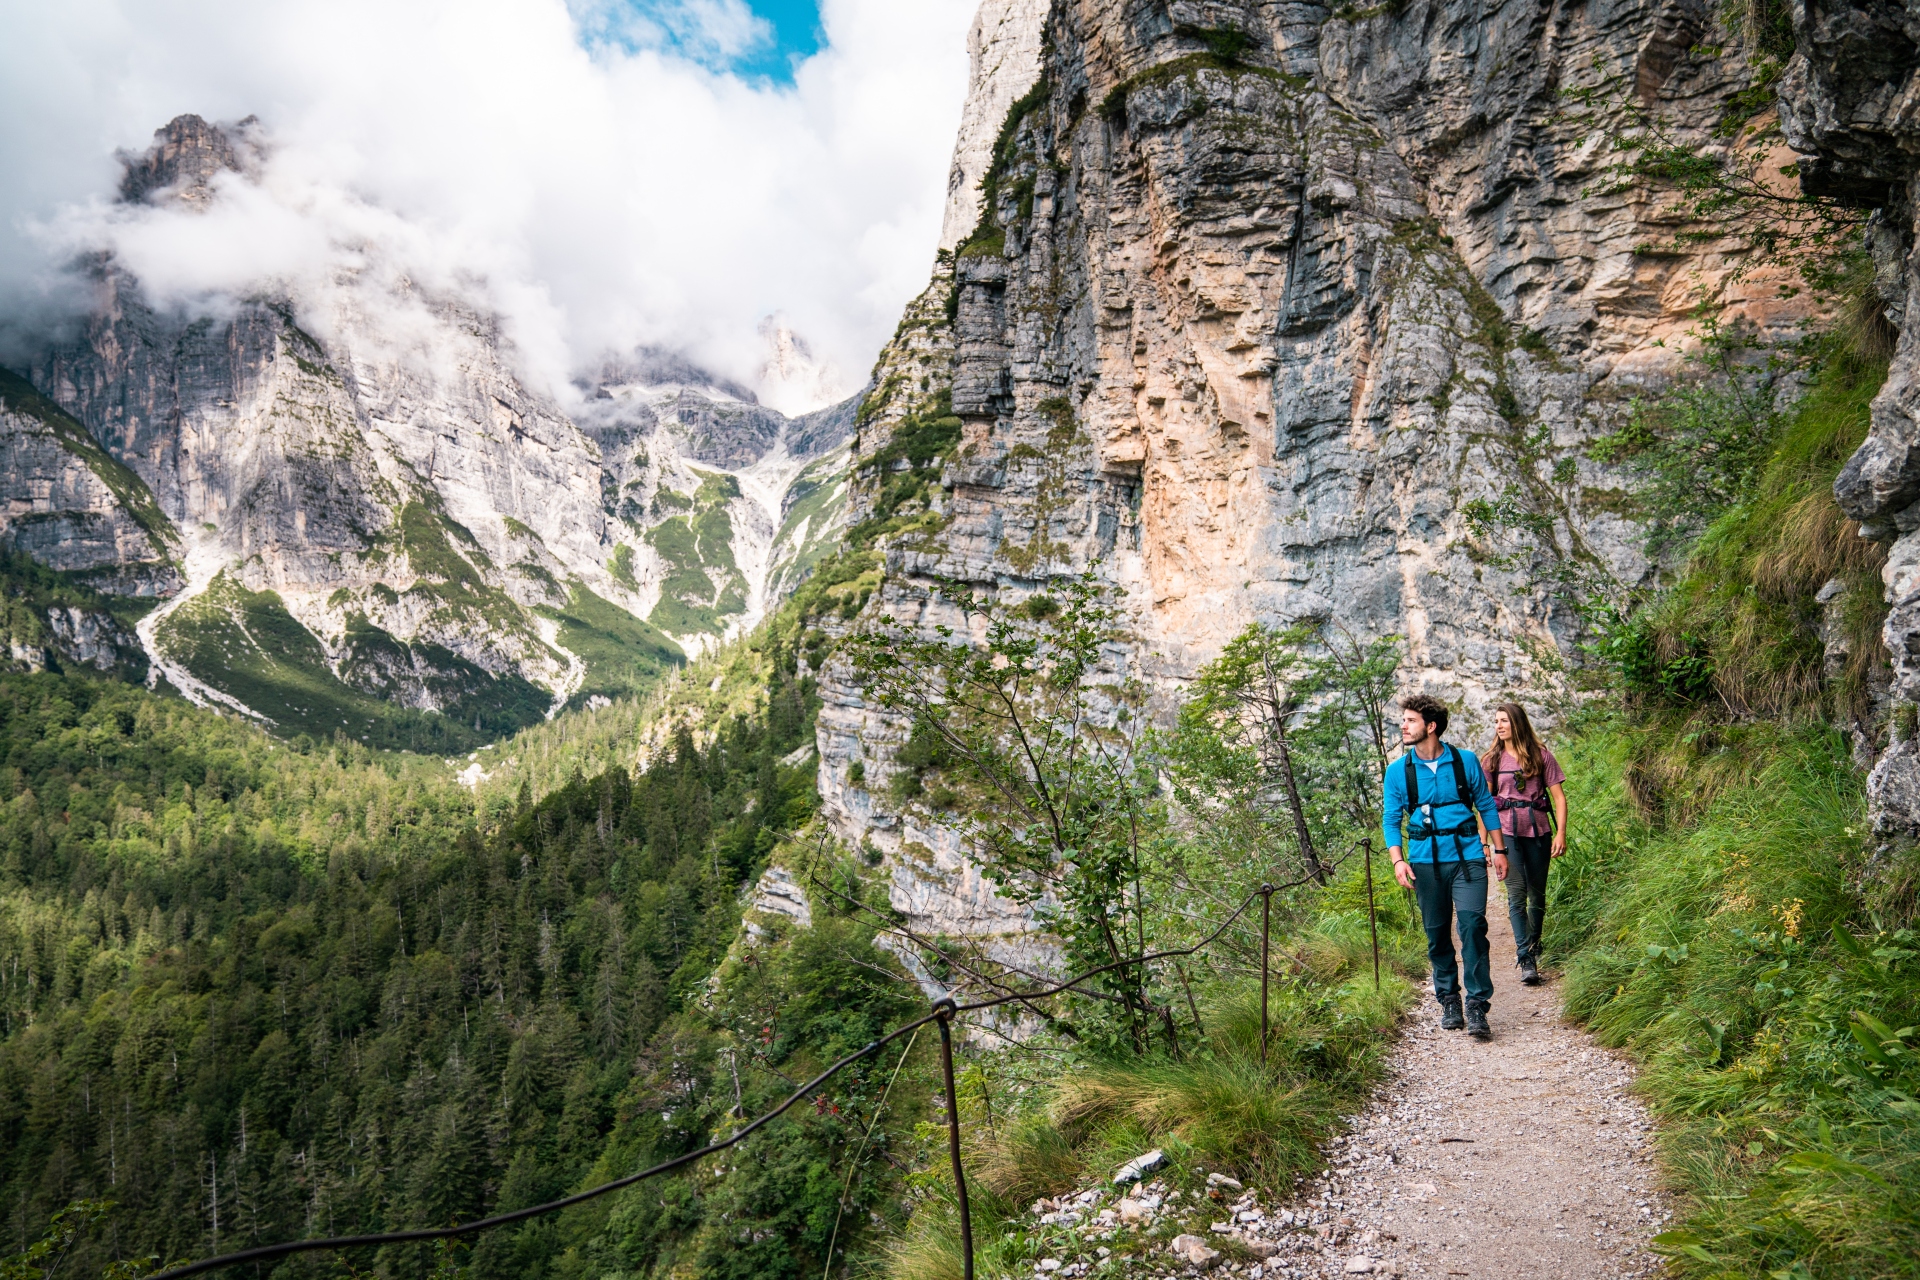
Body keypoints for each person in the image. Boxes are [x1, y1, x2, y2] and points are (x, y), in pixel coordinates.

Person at [1382, 694, 1507, 1040]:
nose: (1403, 726)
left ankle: (1477, 1004)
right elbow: (1391, 820)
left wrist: (1499, 850)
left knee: (1472, 926)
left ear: (1431, 726)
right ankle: (1449, 999)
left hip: (1468, 857)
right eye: (1404, 720)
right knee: (1436, 933)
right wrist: (1398, 860)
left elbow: (1485, 805)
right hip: (1424, 862)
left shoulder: (1465, 761)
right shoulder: (1398, 772)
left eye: (1410, 720)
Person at [1481, 702, 1568, 987]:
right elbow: (1485, 804)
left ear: (1517, 723)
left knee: (1537, 895)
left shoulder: (1541, 756)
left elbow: (1559, 798)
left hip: (1539, 830)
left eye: (1504, 720)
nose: (1498, 726)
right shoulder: (1492, 760)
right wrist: (1484, 842)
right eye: (1496, 721)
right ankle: (1526, 957)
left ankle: (1534, 942)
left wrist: (1561, 833)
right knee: (1517, 894)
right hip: (1506, 833)